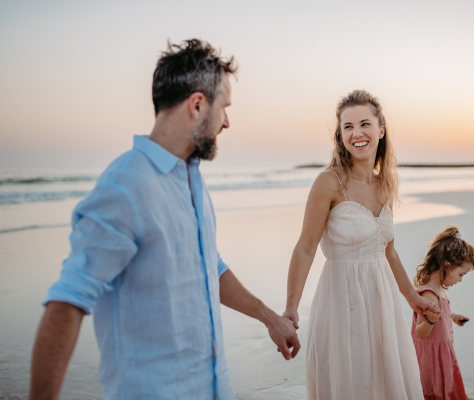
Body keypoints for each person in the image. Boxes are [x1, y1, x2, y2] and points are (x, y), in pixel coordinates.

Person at [29, 39, 299, 400]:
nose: (227, 122)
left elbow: (209, 266)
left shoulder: (192, 179)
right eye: (225, 108)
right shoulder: (125, 186)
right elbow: (68, 301)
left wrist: (270, 317)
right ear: (198, 104)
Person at [283, 90, 439, 400]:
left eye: (365, 123)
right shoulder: (329, 182)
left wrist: (411, 297)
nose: (357, 133)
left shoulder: (385, 183)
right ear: (340, 136)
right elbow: (305, 248)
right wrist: (290, 308)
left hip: (383, 301)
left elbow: (388, 251)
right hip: (341, 300)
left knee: (386, 381)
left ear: (381, 130)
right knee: (351, 382)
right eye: (348, 127)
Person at [411, 226, 474, 400]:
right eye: (461, 274)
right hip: (431, 363)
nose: (461, 280)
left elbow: (439, 313)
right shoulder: (428, 294)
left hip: (442, 356)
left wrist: (451, 316)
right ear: (447, 265)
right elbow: (420, 333)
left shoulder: (437, 290)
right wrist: (431, 322)